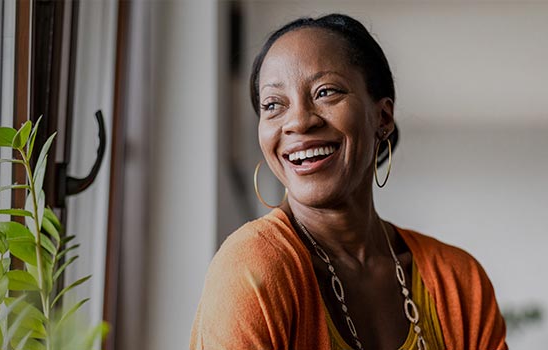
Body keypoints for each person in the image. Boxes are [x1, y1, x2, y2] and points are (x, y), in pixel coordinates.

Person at [190, 14, 507, 350]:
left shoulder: (459, 280)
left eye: (326, 92)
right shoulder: (253, 267)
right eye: (273, 105)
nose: (298, 121)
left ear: (382, 117)